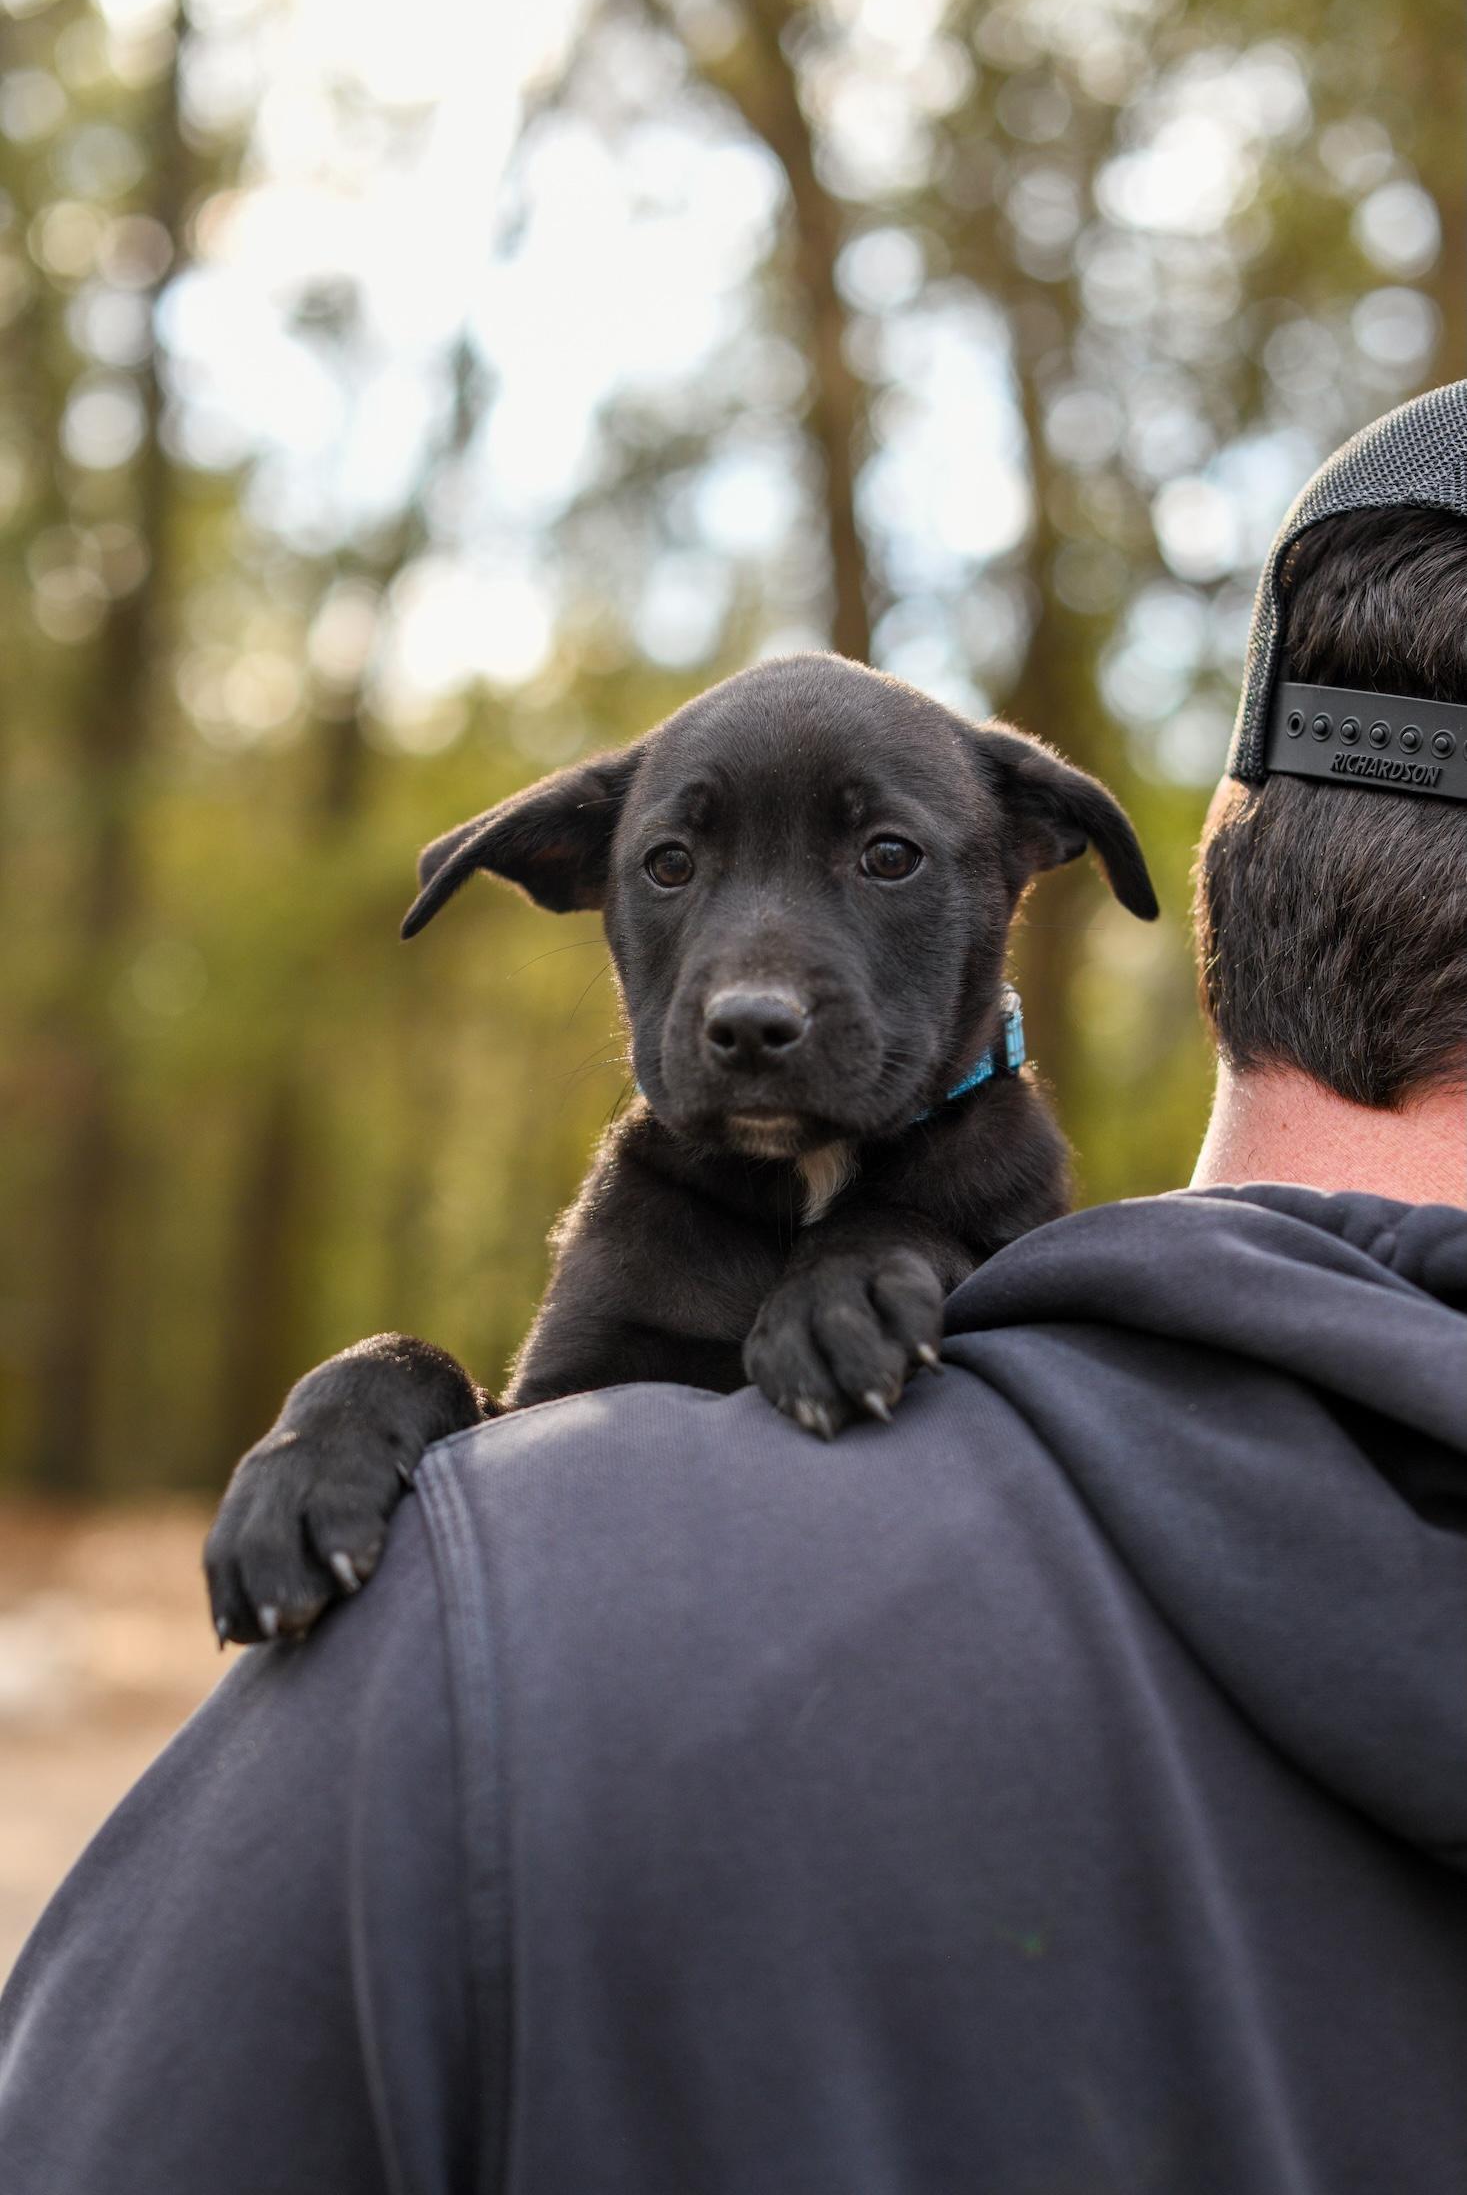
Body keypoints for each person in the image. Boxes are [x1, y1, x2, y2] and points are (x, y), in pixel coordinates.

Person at [2, 389, 1465, 2195]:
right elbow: (535, 1461)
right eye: (680, 870)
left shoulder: (1025, 1222)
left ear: (1032, 853)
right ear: (581, 877)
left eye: (881, 859)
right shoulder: (637, 1246)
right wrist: (373, 1399)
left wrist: (906, 1262)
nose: (757, 982)